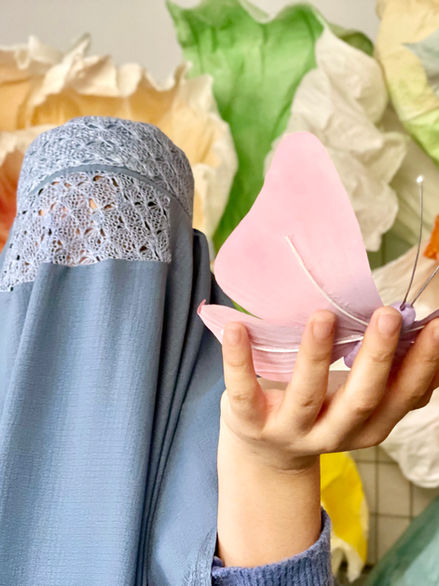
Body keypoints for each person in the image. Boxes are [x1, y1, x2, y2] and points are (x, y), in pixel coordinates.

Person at [0, 116, 438, 585]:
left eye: (128, 241)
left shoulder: (249, 412)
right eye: (56, 247)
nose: (96, 291)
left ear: (186, 276)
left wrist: (274, 466)